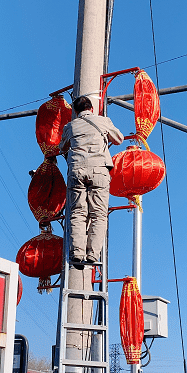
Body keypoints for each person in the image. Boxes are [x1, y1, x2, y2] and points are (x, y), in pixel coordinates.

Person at [60, 95, 124, 269]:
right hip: (99, 171)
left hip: (76, 170)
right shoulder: (103, 121)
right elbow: (119, 139)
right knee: (98, 214)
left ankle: (77, 253)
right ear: (92, 109)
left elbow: (62, 148)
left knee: (77, 213)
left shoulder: (70, 126)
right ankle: (92, 254)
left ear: (75, 111)